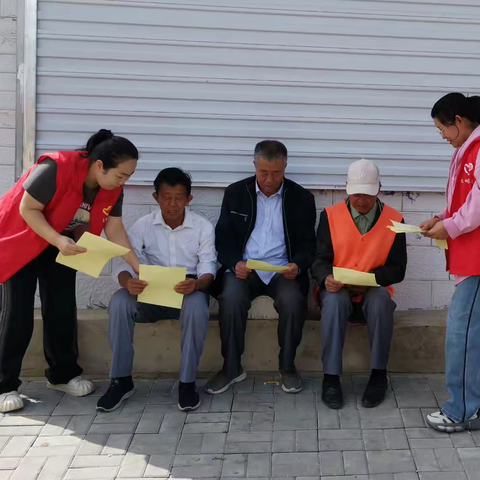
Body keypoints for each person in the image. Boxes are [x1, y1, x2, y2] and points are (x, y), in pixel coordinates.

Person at [0, 129, 140, 413]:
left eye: (128, 176)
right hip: (20, 238)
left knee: (62, 308)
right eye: (121, 175)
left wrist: (139, 268)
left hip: (60, 244)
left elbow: (114, 228)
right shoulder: (55, 167)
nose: (124, 182)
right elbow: (28, 209)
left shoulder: (112, 187)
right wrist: (58, 240)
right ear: (100, 166)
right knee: (17, 312)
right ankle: (4, 384)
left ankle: (62, 375)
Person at [97, 168, 216, 413]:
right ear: (156, 198)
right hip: (148, 294)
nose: (172, 204)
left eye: (179, 197)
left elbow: (208, 267)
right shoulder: (143, 226)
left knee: (197, 306)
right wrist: (126, 281)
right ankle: (121, 380)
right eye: (166, 197)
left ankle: (187, 383)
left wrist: (198, 284)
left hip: (186, 292)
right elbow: (122, 262)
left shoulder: (202, 228)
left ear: (188, 199)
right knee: (120, 301)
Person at [206, 140, 316, 395]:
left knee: (292, 300)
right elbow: (223, 238)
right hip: (247, 269)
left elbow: (309, 244)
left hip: (282, 270)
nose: (269, 179)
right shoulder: (235, 193)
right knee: (231, 297)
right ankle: (231, 367)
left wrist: (297, 265)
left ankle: (287, 366)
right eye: (263, 172)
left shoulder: (301, 198)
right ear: (255, 165)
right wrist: (235, 264)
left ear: (285, 167)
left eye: (276, 173)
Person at [311, 159, 407, 410]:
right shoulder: (330, 216)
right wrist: (326, 279)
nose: (361, 200)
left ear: (379, 190)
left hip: (373, 288)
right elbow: (320, 259)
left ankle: (378, 376)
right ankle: (330, 379)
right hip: (337, 289)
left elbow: (398, 268)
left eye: (367, 194)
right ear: (346, 188)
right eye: (356, 194)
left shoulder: (395, 220)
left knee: (382, 302)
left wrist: (373, 279)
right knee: (333, 302)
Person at [421, 93, 480, 433]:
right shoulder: (466, 151)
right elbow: (463, 202)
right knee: (469, 333)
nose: (441, 135)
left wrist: (450, 225)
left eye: (442, 128)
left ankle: (460, 410)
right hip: (470, 254)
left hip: (476, 259)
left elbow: (477, 205)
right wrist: (440, 218)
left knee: (462, 334)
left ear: (458, 121)